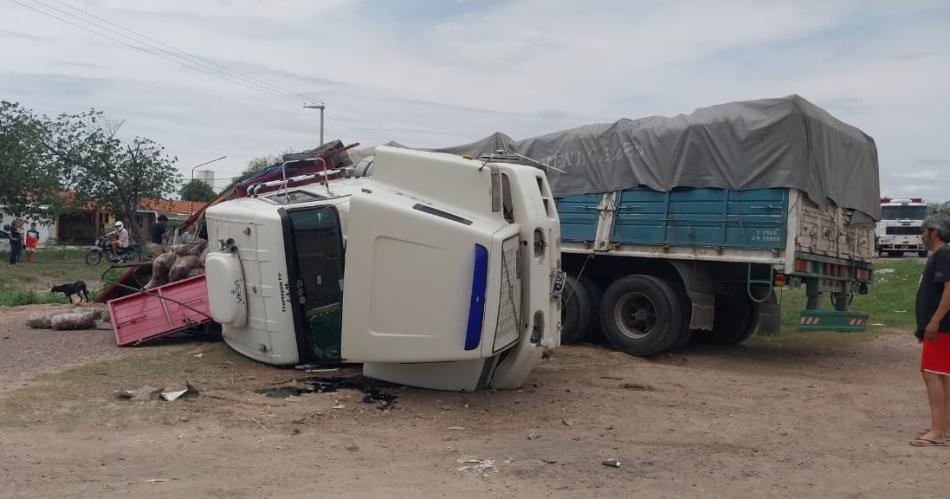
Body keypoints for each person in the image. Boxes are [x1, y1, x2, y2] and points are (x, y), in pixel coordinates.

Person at [911, 214, 950, 447]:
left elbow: (949, 289)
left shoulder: (944, 255)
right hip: (941, 327)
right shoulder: (939, 256)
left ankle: (937, 431)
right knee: (942, 374)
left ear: (934, 232)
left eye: (924, 231)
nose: (922, 235)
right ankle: (943, 426)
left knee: (931, 373)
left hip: (942, 328)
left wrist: (934, 321)